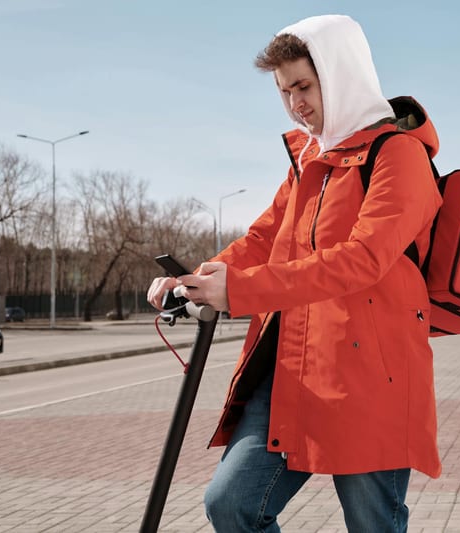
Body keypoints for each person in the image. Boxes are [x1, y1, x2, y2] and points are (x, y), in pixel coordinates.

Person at [147, 14, 442, 532]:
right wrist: (192, 280)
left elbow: (362, 259)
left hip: (372, 378)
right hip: (292, 370)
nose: (295, 103)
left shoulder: (399, 156)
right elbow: (263, 240)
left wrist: (240, 290)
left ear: (341, 74)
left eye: (304, 85)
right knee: (232, 502)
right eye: (284, 91)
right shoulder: (309, 159)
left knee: (372, 524)